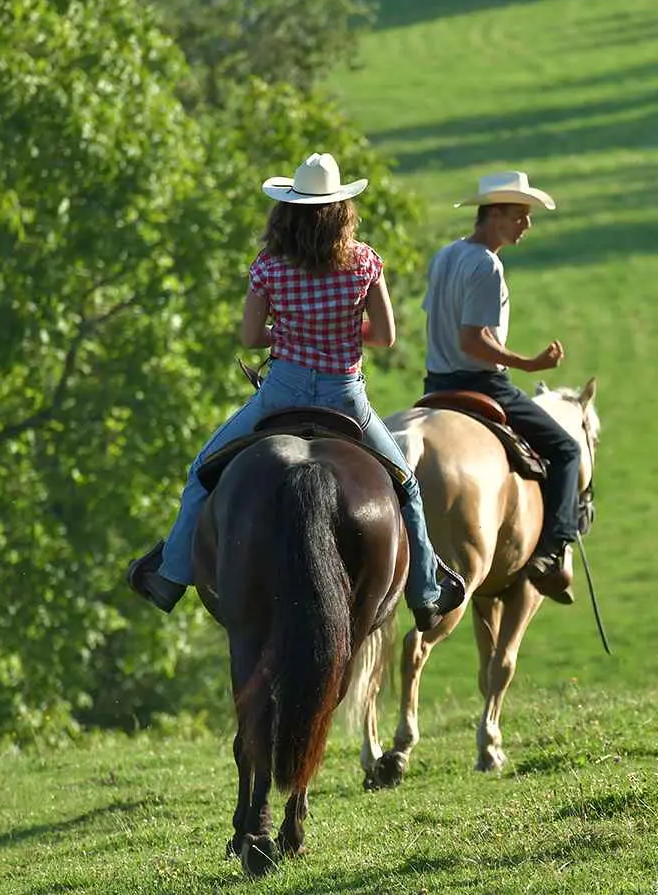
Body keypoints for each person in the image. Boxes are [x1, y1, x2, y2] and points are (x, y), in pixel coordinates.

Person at [125, 152, 466, 632]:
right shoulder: (365, 261)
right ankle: (427, 589)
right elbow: (385, 335)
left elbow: (249, 336)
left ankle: (171, 575)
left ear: (286, 212)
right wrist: (346, 331)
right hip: (345, 396)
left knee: (201, 471)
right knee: (406, 484)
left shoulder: (268, 266)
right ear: (343, 210)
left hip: (281, 393)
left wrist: (285, 334)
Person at [421, 171, 582, 604]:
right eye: (517, 216)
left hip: (435, 382)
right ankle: (550, 552)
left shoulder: (445, 255)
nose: (525, 226)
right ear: (492, 215)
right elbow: (473, 340)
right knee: (566, 450)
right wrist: (529, 363)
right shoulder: (486, 265)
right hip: (483, 384)